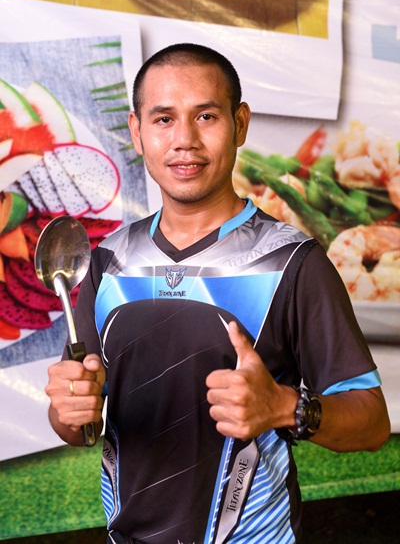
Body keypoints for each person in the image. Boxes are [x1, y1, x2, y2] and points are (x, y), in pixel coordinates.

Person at [45, 43, 390, 544]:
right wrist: (67, 410)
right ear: (137, 132)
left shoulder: (292, 262)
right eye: (164, 119)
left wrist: (287, 408)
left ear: (240, 124)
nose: (184, 140)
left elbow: (373, 424)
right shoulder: (107, 261)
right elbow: (77, 424)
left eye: (205, 116)